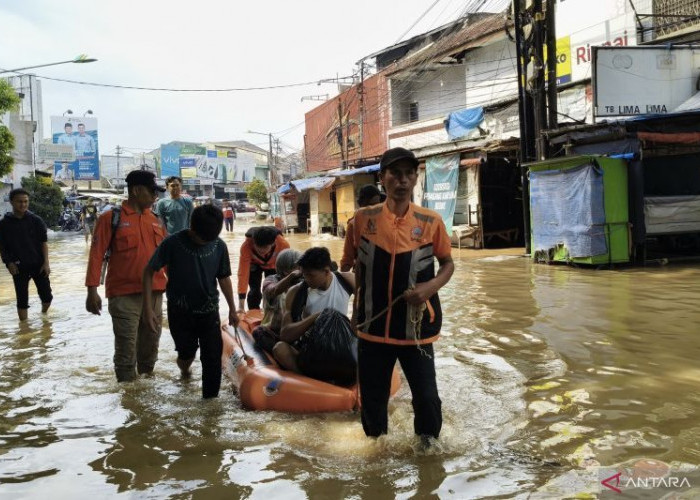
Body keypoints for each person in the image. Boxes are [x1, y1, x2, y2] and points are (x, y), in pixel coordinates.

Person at [351, 147, 454, 443]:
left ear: (416, 178)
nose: (403, 180)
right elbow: (355, 266)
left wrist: (429, 288)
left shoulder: (431, 221)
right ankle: (377, 455)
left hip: (416, 329)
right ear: (382, 178)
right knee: (372, 400)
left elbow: (448, 263)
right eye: (395, 173)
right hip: (372, 328)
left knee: (427, 399)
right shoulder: (361, 220)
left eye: (409, 173)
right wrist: (354, 312)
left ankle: (429, 453)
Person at [142, 205, 238, 398]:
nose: (205, 243)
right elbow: (149, 271)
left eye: (209, 239)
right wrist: (148, 308)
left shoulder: (219, 246)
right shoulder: (172, 243)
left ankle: (210, 407)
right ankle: (185, 371)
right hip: (180, 312)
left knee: (212, 358)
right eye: (201, 239)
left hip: (209, 310)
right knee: (186, 355)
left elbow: (224, 278)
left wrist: (233, 309)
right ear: (192, 228)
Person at [85, 170, 167, 382]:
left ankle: (146, 395)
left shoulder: (156, 220)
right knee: (125, 351)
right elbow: (96, 255)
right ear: (136, 190)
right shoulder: (110, 218)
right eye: (152, 192)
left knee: (150, 348)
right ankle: (129, 397)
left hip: (156, 294)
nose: (155, 197)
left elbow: (166, 259)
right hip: (123, 296)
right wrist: (92, 290)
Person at [272, 247, 356, 383]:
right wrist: (315, 317)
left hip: (341, 343)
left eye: (311, 275)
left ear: (327, 271)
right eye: (304, 274)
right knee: (279, 349)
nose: (306, 279)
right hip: (313, 348)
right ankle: (310, 382)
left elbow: (367, 307)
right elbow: (285, 335)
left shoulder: (347, 280)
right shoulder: (297, 292)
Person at [0, 188, 53, 321]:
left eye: (25, 201)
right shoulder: (4, 224)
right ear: (11, 202)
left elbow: (43, 243)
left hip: (39, 265)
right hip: (18, 267)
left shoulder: (36, 220)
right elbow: (2, 247)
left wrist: (46, 263)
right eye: (19, 202)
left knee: (47, 297)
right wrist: (9, 263)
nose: (23, 204)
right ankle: (24, 328)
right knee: (22, 299)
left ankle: (43, 316)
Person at [251, 248, 303, 354]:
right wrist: (292, 276)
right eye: (298, 267)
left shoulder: (303, 283)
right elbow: (273, 291)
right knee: (258, 332)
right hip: (274, 331)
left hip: (294, 332)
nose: (301, 270)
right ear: (286, 270)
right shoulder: (270, 280)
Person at [237, 226, 290, 311]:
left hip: (273, 265)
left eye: (265, 248)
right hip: (254, 265)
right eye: (258, 247)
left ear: (273, 243)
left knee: (273, 290)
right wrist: (241, 306)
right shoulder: (246, 247)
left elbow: (286, 270)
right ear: (253, 242)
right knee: (254, 291)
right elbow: (243, 274)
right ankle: (253, 311)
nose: (261, 251)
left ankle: (272, 311)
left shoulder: (283, 245)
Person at [340, 184, 383, 272]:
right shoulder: (353, 225)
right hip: (363, 273)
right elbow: (347, 258)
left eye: (378, 204)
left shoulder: (387, 221)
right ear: (362, 204)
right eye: (371, 205)